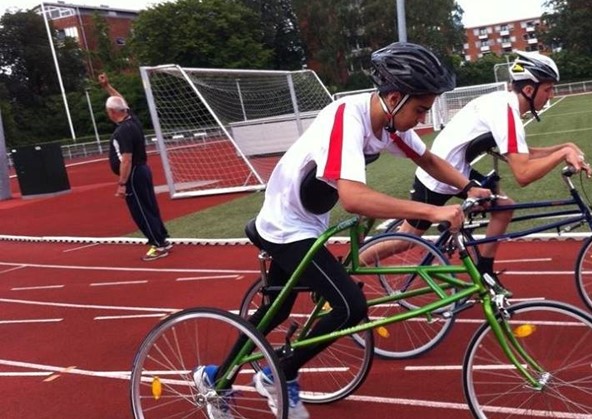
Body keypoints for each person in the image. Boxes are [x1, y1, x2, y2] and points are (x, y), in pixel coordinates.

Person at [191, 42, 490, 419]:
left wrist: (469, 188)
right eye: (420, 110)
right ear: (395, 98)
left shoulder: (389, 124)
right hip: (284, 225)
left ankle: (216, 379)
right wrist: (433, 209)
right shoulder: (347, 117)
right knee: (350, 305)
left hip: (308, 223)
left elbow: (428, 158)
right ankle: (277, 374)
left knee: (277, 308)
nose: (422, 119)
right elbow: (352, 196)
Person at [361, 51, 591, 285]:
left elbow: (521, 153)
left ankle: (483, 269)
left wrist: (565, 147)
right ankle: (350, 268)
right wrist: (562, 153)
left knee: (502, 206)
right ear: (530, 90)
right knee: (405, 240)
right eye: (548, 89)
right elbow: (523, 173)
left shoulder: (504, 104)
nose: (550, 96)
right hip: (440, 177)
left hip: (456, 169)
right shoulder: (506, 111)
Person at [99, 73, 171, 261]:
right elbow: (122, 101)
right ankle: (162, 238)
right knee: (149, 206)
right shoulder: (133, 121)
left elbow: (126, 159)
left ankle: (158, 244)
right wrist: (107, 87)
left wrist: (122, 183)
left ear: (113, 112)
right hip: (143, 171)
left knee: (140, 210)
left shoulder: (123, 130)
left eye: (108, 111)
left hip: (133, 174)